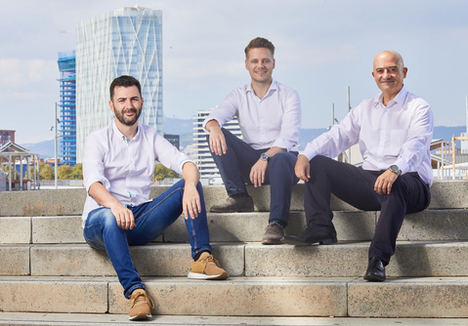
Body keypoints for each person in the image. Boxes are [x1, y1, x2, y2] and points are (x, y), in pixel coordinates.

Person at [82, 75, 227, 321]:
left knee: (189, 183)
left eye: (134, 99)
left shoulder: (150, 136)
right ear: (112, 105)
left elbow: (185, 162)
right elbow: (93, 185)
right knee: (109, 217)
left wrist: (191, 184)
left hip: (138, 218)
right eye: (122, 100)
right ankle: (136, 292)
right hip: (101, 220)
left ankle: (201, 258)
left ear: (141, 102)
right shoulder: (97, 139)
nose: (129, 105)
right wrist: (116, 206)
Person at [283, 51, 433, 282]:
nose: (387, 75)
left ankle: (378, 259)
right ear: (373, 75)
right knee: (319, 163)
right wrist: (305, 154)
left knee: (396, 184)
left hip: (410, 182)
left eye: (392, 69)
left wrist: (395, 169)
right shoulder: (365, 108)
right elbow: (337, 136)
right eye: (381, 71)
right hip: (372, 182)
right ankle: (321, 227)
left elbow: (416, 145)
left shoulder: (419, 108)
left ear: (403, 72)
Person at [203, 37, 301, 245]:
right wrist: (214, 127)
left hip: (283, 160)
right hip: (252, 161)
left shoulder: (289, 95)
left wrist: (265, 157)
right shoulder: (238, 95)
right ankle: (239, 196)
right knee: (214, 133)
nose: (260, 66)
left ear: (273, 63)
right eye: (255, 61)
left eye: (265, 61)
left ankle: (276, 223)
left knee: (282, 158)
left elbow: (287, 138)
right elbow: (215, 116)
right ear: (246, 65)